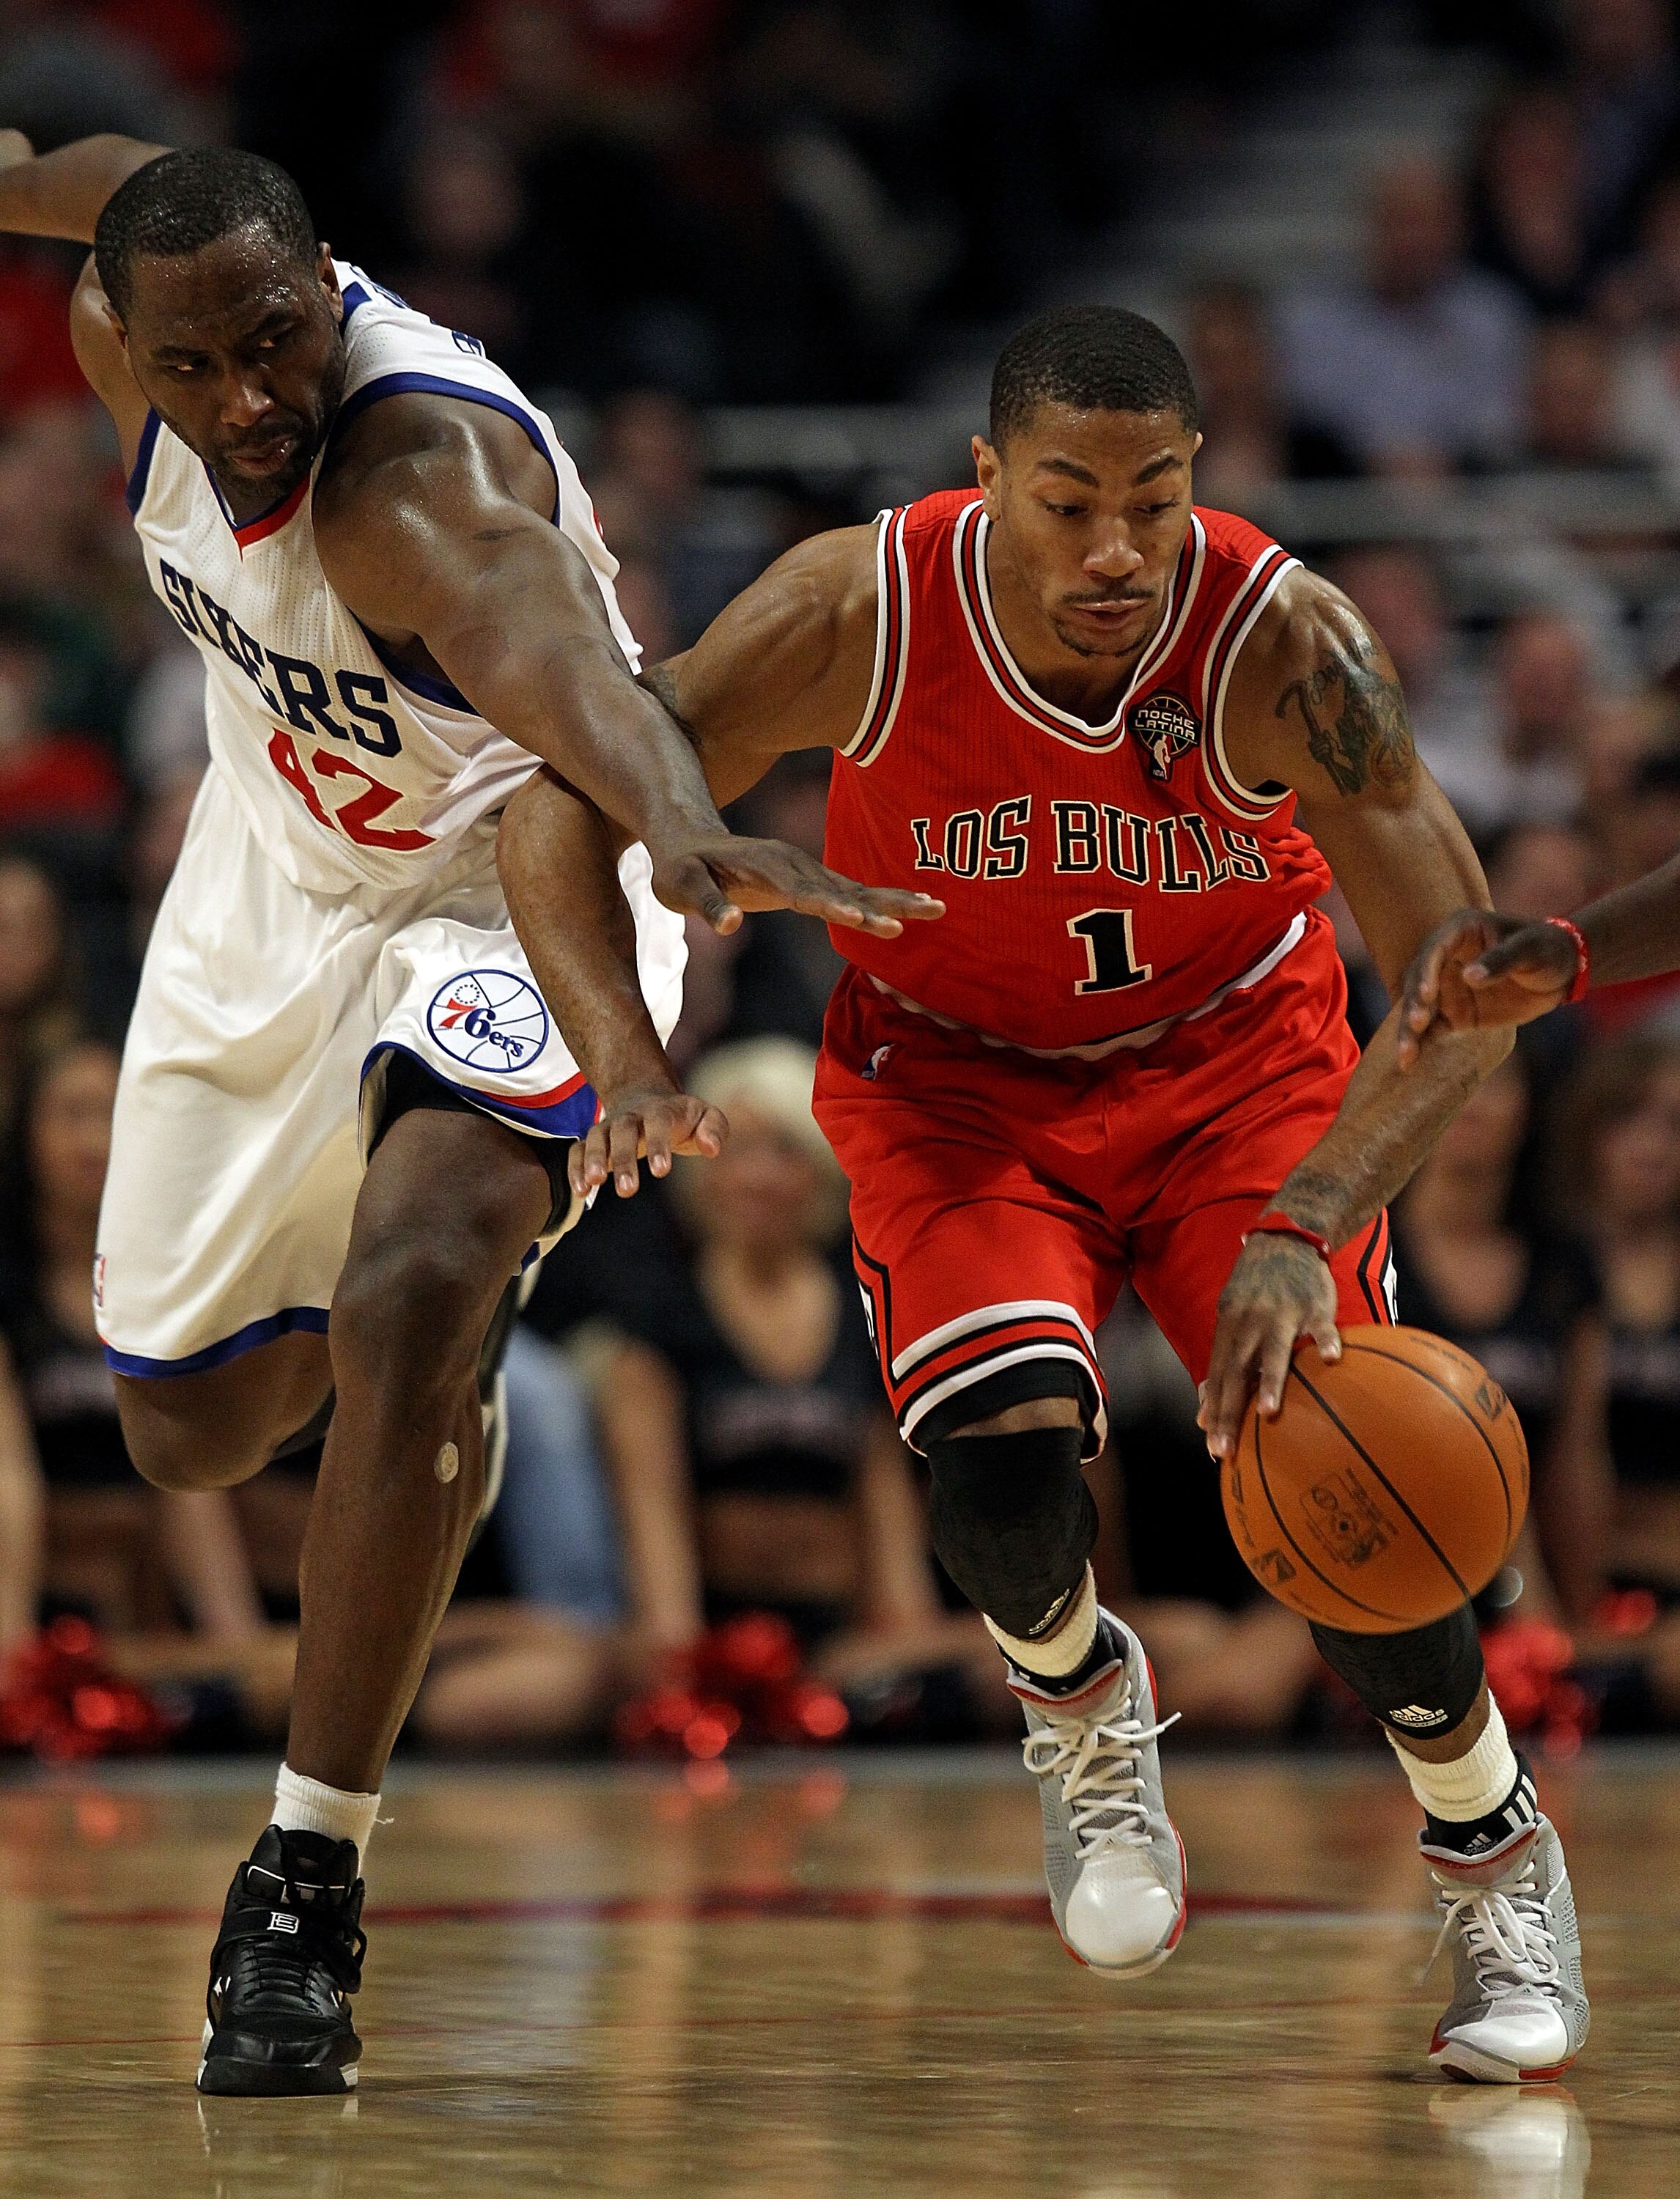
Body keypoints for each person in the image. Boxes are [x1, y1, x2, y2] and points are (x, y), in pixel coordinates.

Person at [501, 303, 1590, 2082]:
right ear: (985, 479)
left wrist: (1308, 1219)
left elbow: (1461, 991)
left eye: (1156, 502)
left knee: (1341, 1477)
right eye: (1070, 501)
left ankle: (1491, 1846)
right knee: (1002, 1469)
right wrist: (623, 1051)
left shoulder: (1283, 646)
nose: (1118, 551)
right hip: (953, 1084)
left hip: (1240, 1074)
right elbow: (563, 803)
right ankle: (1085, 1706)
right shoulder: (860, 612)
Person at [0, 127, 931, 2097]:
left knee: (420, 1271)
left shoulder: (418, 476)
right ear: (124, 340)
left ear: (324, 277)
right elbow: (52, 176)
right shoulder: (133, 297)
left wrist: (683, 824)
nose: (250, 402)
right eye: (201, 368)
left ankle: (303, 1881)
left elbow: (542, 649)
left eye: (276, 343)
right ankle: (433, 1436)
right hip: (274, 884)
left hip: (542, 870)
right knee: (187, 1432)